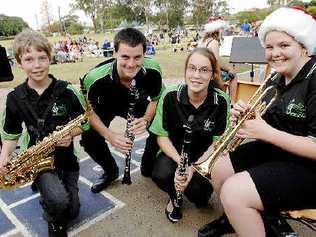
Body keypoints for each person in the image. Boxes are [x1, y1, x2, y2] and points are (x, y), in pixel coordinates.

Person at [198, 7, 316, 237]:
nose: (275, 53)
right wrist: (249, 115)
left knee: (234, 192)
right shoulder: (277, 76)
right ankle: (234, 218)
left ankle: (246, 214)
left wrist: (265, 132)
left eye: (284, 45)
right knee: (219, 167)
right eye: (269, 47)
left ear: (303, 46)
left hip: (309, 167)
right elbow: (269, 120)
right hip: (280, 151)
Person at [0, 30, 89, 237]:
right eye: (29, 59)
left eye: (42, 58)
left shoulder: (67, 91)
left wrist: (70, 134)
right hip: (36, 159)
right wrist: (4, 157)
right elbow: (11, 134)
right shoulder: (15, 98)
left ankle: (50, 194)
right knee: (58, 202)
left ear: (50, 58)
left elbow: (83, 123)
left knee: (73, 212)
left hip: (66, 158)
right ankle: (52, 213)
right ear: (19, 62)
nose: (37, 65)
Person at [150, 48, 230, 223]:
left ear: (213, 74)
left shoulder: (222, 100)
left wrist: (192, 168)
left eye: (204, 70)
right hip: (175, 153)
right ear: (185, 71)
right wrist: (181, 164)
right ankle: (174, 198)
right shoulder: (170, 95)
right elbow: (161, 136)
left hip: (205, 157)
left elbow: (219, 142)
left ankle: (190, 189)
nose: (196, 75)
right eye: (192, 68)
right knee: (161, 174)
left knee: (199, 197)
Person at [80, 27, 164, 193]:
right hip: (105, 105)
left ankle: (149, 163)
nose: (131, 64)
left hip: (137, 102)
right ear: (114, 53)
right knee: (89, 138)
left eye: (137, 57)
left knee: (160, 124)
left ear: (145, 54)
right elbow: (88, 111)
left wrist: (146, 119)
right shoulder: (93, 78)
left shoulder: (153, 69)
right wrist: (109, 136)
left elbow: (156, 99)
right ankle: (111, 171)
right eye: (125, 57)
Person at [199, 17, 238, 104]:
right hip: (212, 74)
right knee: (233, 75)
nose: (222, 31)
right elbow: (217, 62)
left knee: (227, 74)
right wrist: (229, 69)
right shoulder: (214, 42)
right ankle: (232, 102)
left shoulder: (203, 41)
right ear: (216, 30)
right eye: (221, 29)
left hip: (203, 71)